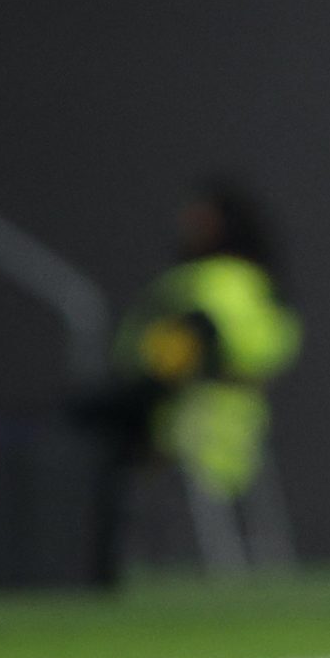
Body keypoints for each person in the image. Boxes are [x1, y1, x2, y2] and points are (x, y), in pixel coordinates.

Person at [90, 182, 303, 519]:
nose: (186, 225)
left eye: (200, 218)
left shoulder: (209, 284)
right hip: (242, 430)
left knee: (80, 424)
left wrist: (119, 399)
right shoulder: (257, 284)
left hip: (184, 425)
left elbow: (169, 365)